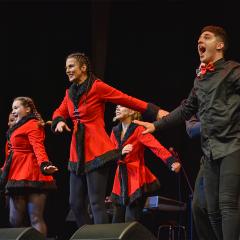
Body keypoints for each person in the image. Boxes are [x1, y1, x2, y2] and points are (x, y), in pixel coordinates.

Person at [133, 25, 240, 240]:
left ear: (219, 46)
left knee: (227, 203)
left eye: (207, 38)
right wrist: (156, 125)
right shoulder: (200, 79)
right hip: (209, 151)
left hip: (232, 145)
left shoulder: (233, 70)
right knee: (210, 209)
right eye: (199, 39)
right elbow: (185, 109)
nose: (200, 41)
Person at [51, 52, 167, 227]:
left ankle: (101, 237)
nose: (67, 70)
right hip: (77, 153)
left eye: (71, 66)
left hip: (97, 150)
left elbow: (126, 99)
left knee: (96, 203)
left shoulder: (97, 87)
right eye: (66, 67)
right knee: (75, 203)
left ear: (83, 68)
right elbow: (59, 112)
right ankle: (89, 237)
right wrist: (59, 121)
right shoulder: (69, 93)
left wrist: (154, 110)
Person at [110, 105, 181, 223]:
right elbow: (109, 155)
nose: (117, 107)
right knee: (115, 222)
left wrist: (171, 161)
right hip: (120, 181)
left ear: (132, 111)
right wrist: (119, 153)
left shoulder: (138, 129)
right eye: (116, 105)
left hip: (136, 179)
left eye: (121, 105)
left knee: (130, 221)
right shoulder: (115, 131)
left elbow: (156, 146)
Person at [0, 97, 58, 236]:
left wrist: (44, 165)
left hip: (32, 172)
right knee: (14, 220)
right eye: (12, 108)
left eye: (17, 107)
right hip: (17, 172)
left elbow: (38, 147)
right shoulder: (16, 128)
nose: (13, 111)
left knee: (35, 217)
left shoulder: (32, 124)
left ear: (27, 109)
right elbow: (10, 155)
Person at [186, 114, 216, 240]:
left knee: (227, 207)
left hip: (232, 154)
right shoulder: (194, 101)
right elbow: (192, 129)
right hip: (209, 159)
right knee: (198, 206)